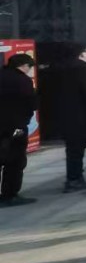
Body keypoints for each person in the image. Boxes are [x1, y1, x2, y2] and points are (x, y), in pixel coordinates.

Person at [47, 43, 86, 192]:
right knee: (78, 147)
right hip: (82, 114)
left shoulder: (56, 69)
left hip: (62, 113)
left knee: (72, 147)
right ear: (82, 53)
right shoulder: (85, 69)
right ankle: (75, 178)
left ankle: (73, 177)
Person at [0, 54, 37, 207]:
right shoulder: (22, 80)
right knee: (15, 160)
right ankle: (10, 194)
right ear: (24, 66)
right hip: (16, 127)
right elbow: (32, 103)